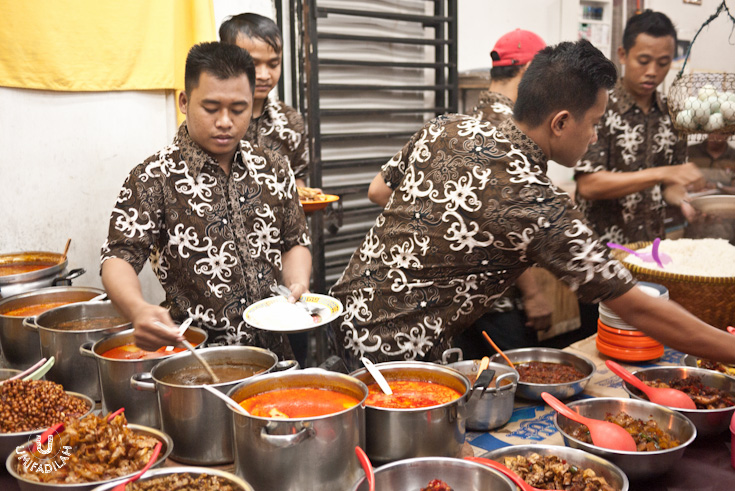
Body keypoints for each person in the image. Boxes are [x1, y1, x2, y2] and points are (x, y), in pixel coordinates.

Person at [329, 39, 735, 371]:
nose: (595, 136)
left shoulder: (447, 128)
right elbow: (635, 307)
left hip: (337, 315)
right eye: (594, 123)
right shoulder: (538, 204)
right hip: (391, 359)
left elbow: (379, 191)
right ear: (560, 122)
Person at [101, 42, 312, 359]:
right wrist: (137, 309)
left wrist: (297, 284)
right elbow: (118, 258)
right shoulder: (154, 177)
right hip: (197, 359)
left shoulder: (275, 167)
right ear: (184, 101)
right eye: (211, 108)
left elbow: (294, 241)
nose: (225, 121)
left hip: (276, 354)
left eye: (238, 109)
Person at [368, 29, 552, 356]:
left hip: (442, 301)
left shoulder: (451, 125)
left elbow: (378, 190)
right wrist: (535, 294)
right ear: (527, 73)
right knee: (511, 387)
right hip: (496, 301)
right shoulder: (521, 138)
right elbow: (513, 227)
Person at [573, 10, 705, 336]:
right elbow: (589, 184)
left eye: (663, 63)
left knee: (648, 345)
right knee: (601, 343)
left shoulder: (671, 115)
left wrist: (688, 201)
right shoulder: (598, 107)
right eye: (643, 60)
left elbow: (669, 188)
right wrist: (662, 173)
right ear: (622, 54)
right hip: (602, 259)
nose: (652, 72)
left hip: (651, 256)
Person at [220, 13, 310, 188]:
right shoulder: (213, 119)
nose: (264, 75)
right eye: (253, 64)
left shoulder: (291, 121)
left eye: (273, 64)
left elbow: (298, 178)